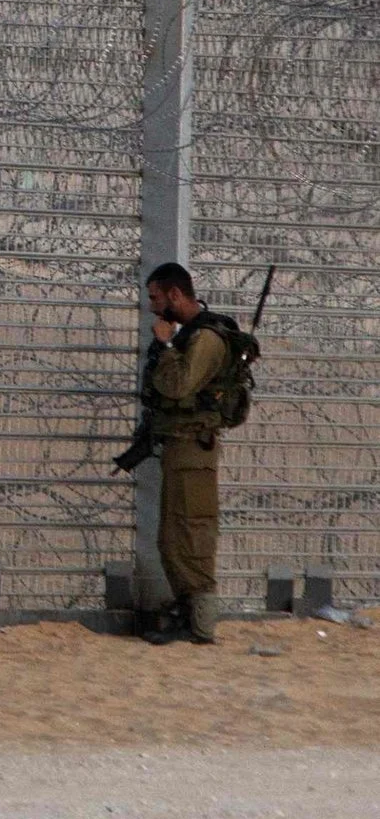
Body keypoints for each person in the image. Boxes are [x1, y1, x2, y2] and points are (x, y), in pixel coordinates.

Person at [140, 261, 241, 646]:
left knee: (191, 534)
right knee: (172, 535)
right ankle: (186, 615)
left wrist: (164, 345)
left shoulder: (206, 339)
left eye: (155, 297)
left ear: (175, 295)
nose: (152, 306)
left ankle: (200, 625)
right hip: (180, 447)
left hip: (194, 449)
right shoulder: (191, 336)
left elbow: (179, 386)